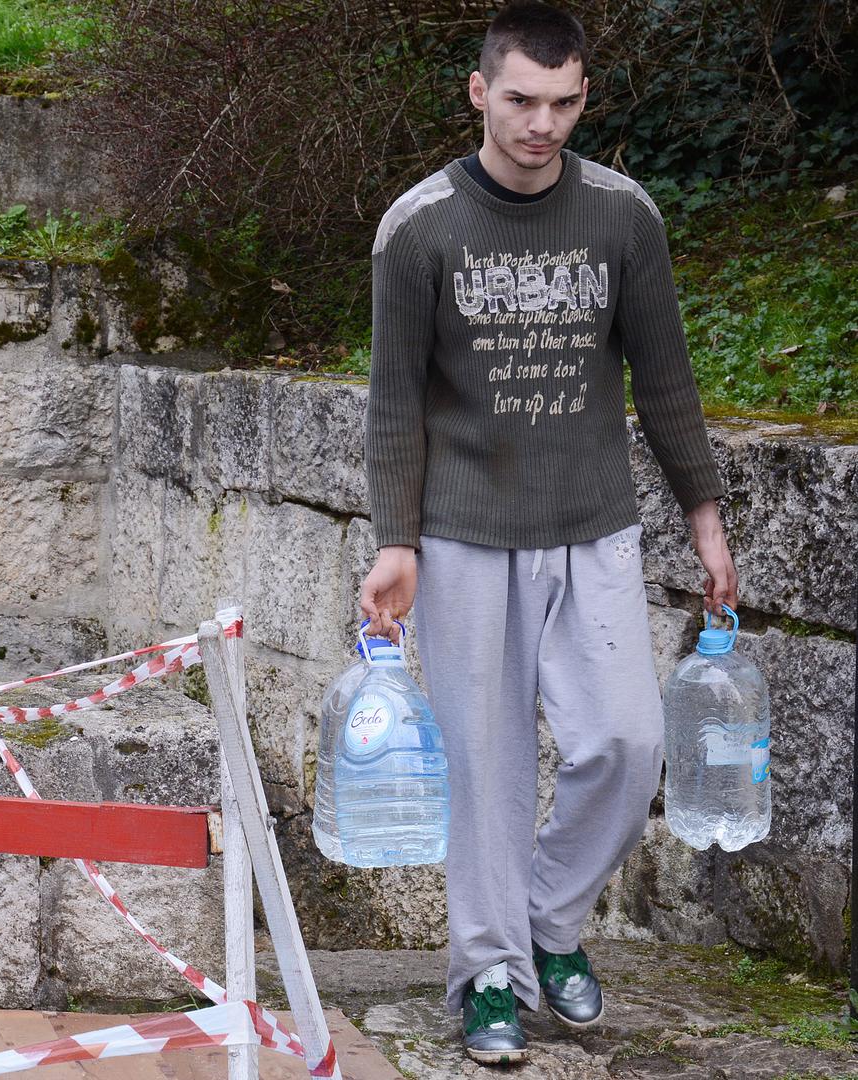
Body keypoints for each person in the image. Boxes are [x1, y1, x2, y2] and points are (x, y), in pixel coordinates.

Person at [356, 1, 739, 1065]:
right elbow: (392, 404)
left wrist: (705, 519)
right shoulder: (418, 226)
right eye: (520, 100)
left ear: (583, 98)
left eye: (562, 103)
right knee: (486, 771)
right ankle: (486, 972)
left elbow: (665, 379)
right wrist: (396, 541)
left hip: (592, 527)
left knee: (626, 742)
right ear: (479, 92)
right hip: (465, 534)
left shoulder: (621, 215)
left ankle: (544, 921)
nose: (540, 124)